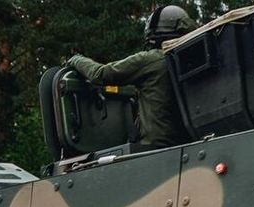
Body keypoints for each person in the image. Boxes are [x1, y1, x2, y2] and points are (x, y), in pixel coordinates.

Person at [66, 5, 198, 148]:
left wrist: (76, 59)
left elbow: (101, 74)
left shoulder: (152, 60)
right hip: (189, 144)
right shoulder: (192, 60)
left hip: (155, 148)